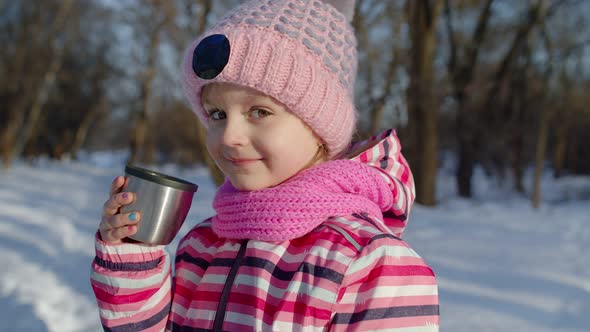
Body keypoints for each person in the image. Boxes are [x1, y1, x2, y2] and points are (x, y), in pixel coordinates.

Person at [91, 0, 439, 330]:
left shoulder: (373, 263)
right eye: (217, 114)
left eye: (259, 112)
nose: (229, 136)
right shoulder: (202, 245)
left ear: (320, 127)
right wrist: (132, 256)